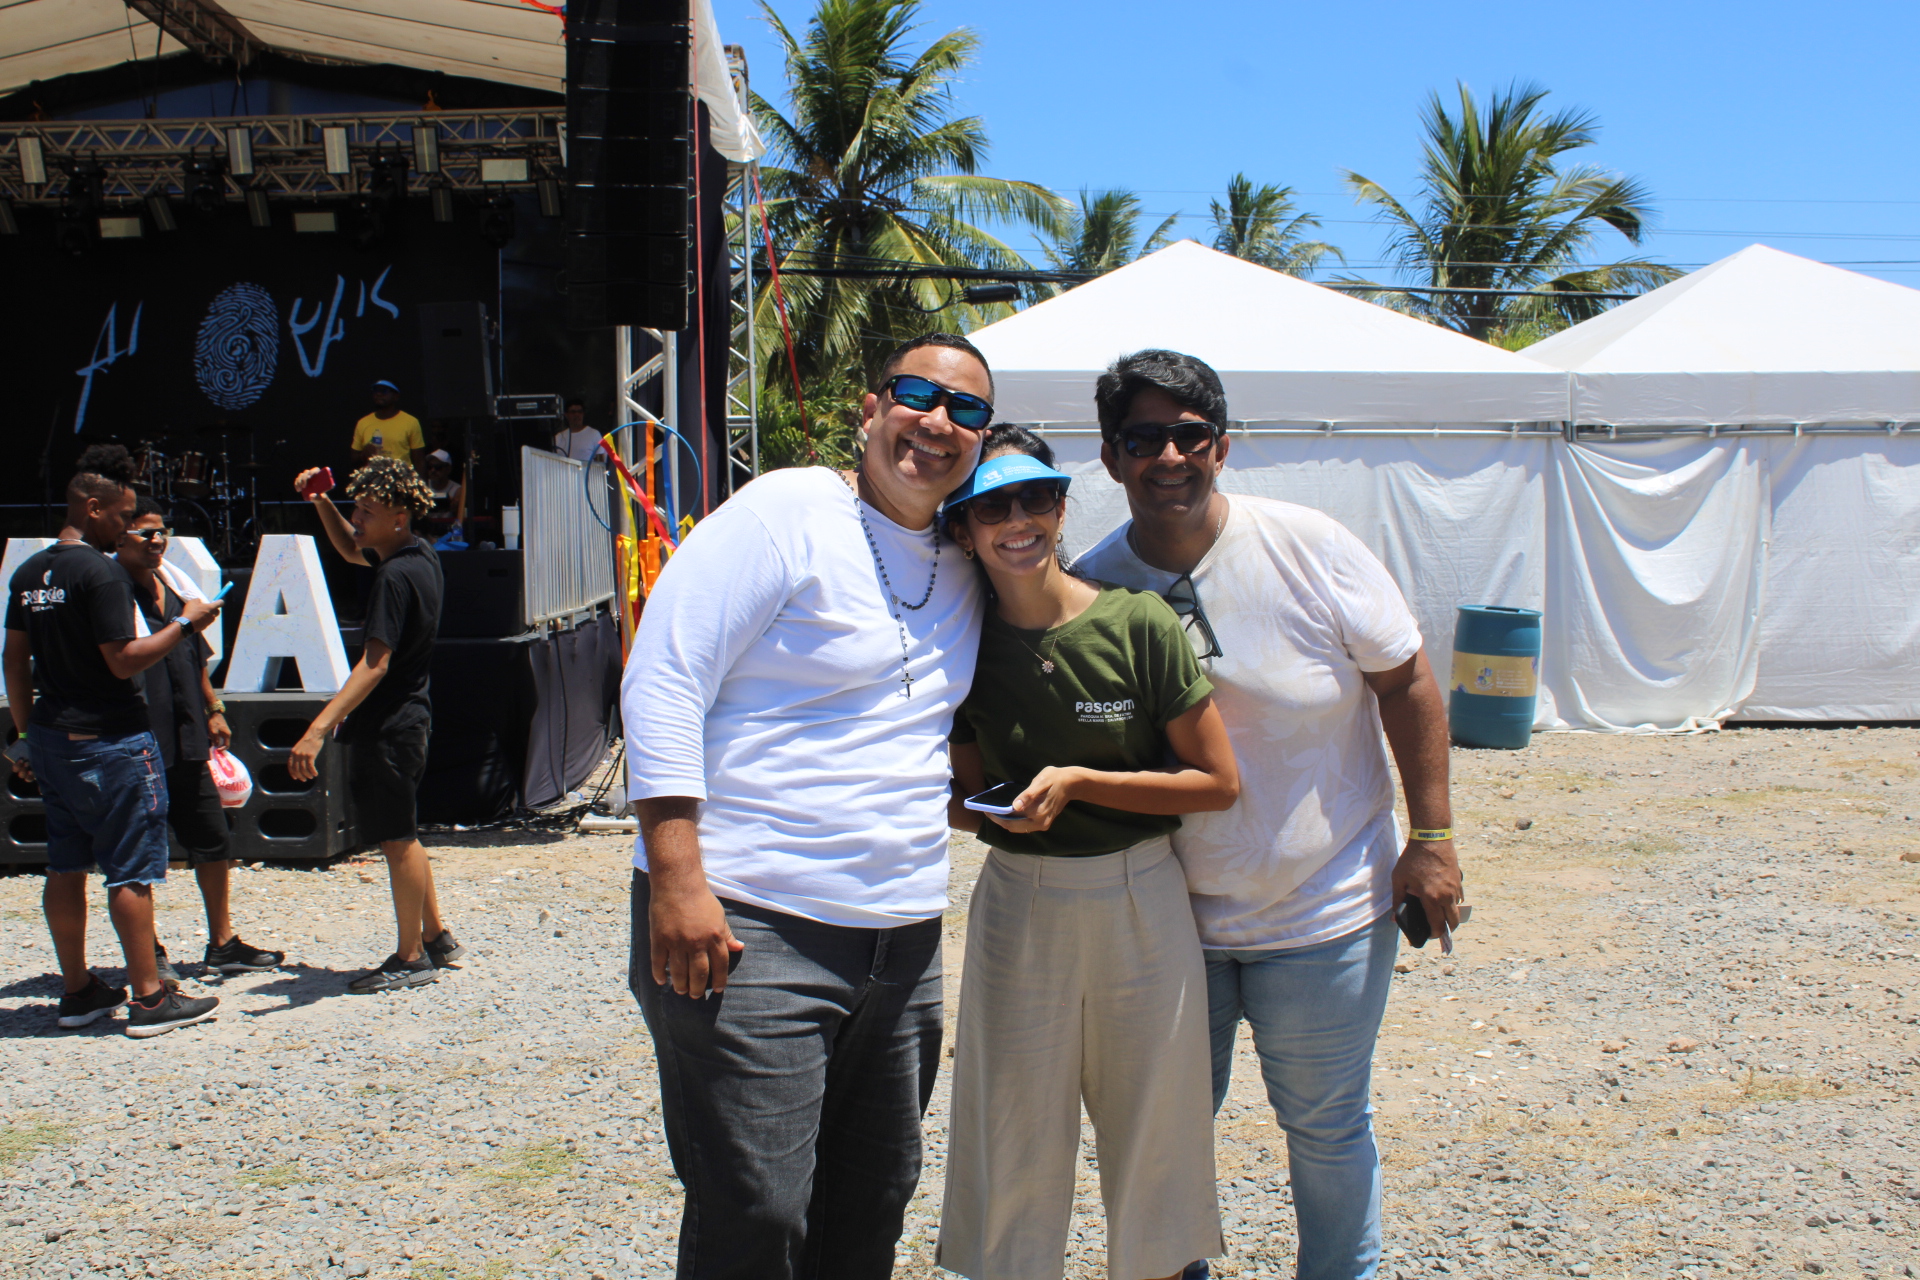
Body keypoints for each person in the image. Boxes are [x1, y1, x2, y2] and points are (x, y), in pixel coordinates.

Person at [1071, 351, 1463, 1280]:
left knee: (1327, 1125)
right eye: (1143, 439)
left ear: (1222, 446)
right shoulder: (1090, 587)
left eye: (1189, 435)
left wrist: (1433, 839)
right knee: (1161, 1132)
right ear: (1111, 457)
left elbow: (1406, 680)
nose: (1169, 457)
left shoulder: (1310, 546)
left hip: (1326, 907)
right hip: (1166, 917)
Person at [622, 333, 994, 1279]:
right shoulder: (787, 510)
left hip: (903, 941)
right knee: (756, 1211)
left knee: (870, 1203)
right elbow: (664, 678)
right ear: (870, 410)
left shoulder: (966, 560)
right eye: (917, 395)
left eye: (966, 410)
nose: (938, 421)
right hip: (752, 924)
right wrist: (676, 880)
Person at [936, 429, 1239, 1280]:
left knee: (1155, 1128)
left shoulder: (1137, 621)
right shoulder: (961, 644)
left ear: (1062, 508)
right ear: (963, 530)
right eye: (991, 506)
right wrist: (997, 815)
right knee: (1010, 1127)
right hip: (1019, 898)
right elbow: (961, 797)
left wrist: (1079, 783)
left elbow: (1217, 782)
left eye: (1036, 497)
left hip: (1141, 895)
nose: (1018, 520)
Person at [3, 445, 224, 1037]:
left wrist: (24, 735)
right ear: (93, 508)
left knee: (65, 865)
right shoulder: (100, 573)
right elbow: (124, 660)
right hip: (111, 741)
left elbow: (14, 662)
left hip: (52, 739)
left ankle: (77, 991)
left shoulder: (29, 572)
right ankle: (149, 1000)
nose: (129, 528)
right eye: (124, 517)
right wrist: (186, 623)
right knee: (130, 870)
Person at [287, 456, 463, 994]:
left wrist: (317, 728)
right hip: (409, 718)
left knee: (397, 839)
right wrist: (321, 500)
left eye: (366, 511)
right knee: (403, 833)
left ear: (399, 518)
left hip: (389, 725)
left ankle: (410, 958)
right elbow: (348, 547)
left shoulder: (393, 576)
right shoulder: (419, 554)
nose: (357, 518)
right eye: (356, 507)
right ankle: (435, 936)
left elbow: (374, 664)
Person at [114, 497, 285, 982]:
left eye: (162, 532)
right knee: (141, 848)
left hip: (187, 732)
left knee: (212, 836)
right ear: (120, 536)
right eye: (146, 533)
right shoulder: (112, 590)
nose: (157, 541)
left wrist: (214, 708)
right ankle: (149, 952)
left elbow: (194, 654)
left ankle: (223, 943)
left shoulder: (174, 585)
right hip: (140, 736)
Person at [351, 379, 427, 473]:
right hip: (373, 478)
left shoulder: (411, 422)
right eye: (376, 390)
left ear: (396, 396)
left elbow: (419, 461)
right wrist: (364, 455)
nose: (379, 394)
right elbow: (353, 459)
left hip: (400, 478)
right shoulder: (363, 423)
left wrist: (421, 482)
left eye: (384, 390)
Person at [552, 397, 600, 462]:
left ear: (583, 414)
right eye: (573, 412)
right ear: (566, 415)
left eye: (580, 412)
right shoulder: (559, 437)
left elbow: (601, 461)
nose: (577, 414)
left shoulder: (594, 434)